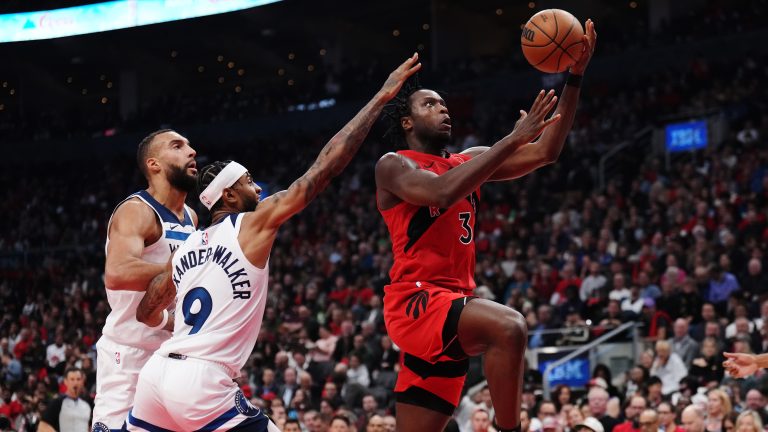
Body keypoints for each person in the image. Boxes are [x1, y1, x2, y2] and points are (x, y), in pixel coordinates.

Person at [124, 55, 422, 432]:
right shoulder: (252, 223)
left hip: (155, 377)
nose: (259, 187)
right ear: (229, 196)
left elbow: (147, 312)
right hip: (202, 380)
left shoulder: (185, 246)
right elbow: (323, 169)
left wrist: (177, 321)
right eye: (249, 181)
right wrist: (380, 99)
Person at [375, 20, 597, 432]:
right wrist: (510, 141)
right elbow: (440, 193)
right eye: (429, 104)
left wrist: (575, 76)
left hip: (454, 309)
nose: (442, 108)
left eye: (444, 103)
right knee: (509, 327)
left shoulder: (469, 160)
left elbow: (547, 151)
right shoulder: (394, 165)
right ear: (407, 123)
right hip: (417, 303)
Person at [92, 129, 199, 431]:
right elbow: (117, 273)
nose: (191, 152)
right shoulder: (137, 211)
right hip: (130, 354)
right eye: (177, 146)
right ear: (154, 164)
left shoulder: (190, 216)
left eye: (190, 145)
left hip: (172, 351)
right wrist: (189, 265)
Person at [38, 368, 92, 432]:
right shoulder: (58, 402)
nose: (75, 383)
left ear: (83, 382)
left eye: (78, 379)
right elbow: (43, 426)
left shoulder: (87, 403)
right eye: (72, 379)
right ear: (65, 381)